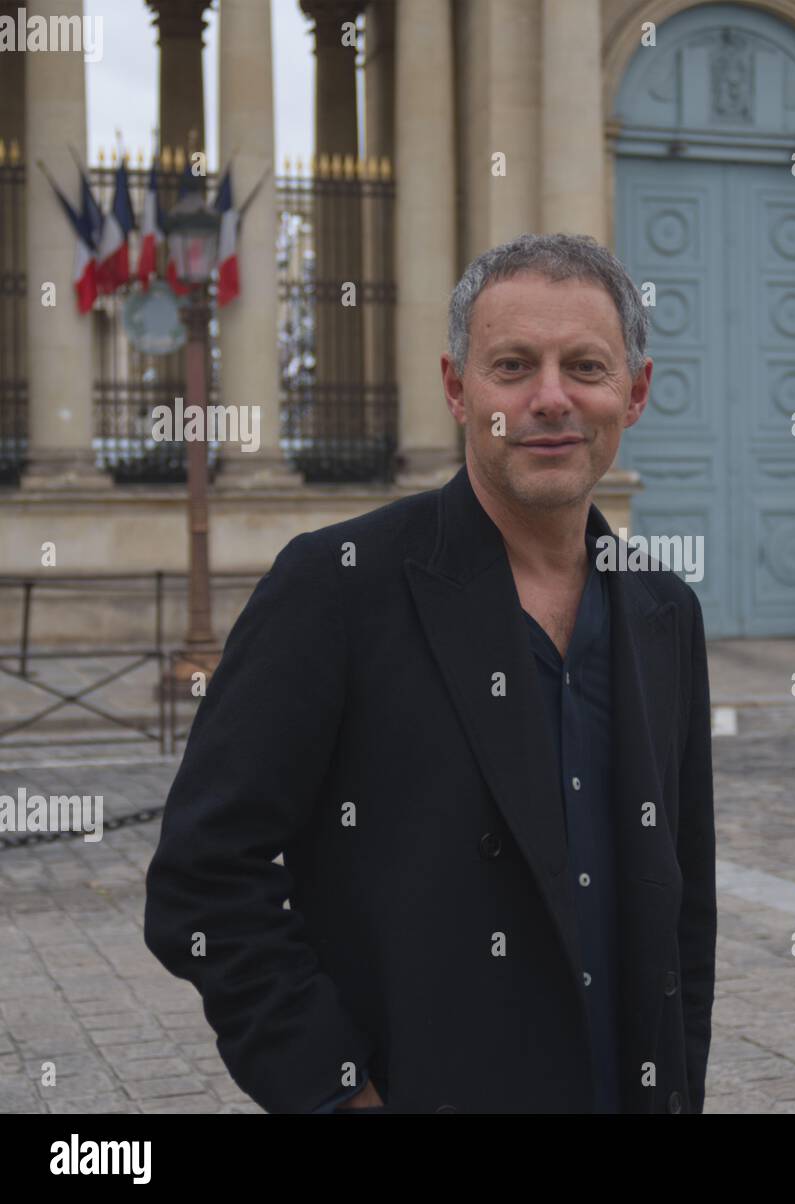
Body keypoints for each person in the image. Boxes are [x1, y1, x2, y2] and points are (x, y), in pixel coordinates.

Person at [143, 233, 717, 1115]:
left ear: (634, 394)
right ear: (458, 389)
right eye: (514, 365)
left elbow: (682, 913)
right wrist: (339, 1093)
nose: (551, 398)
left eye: (587, 367)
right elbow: (203, 878)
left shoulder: (666, 613)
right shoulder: (333, 586)